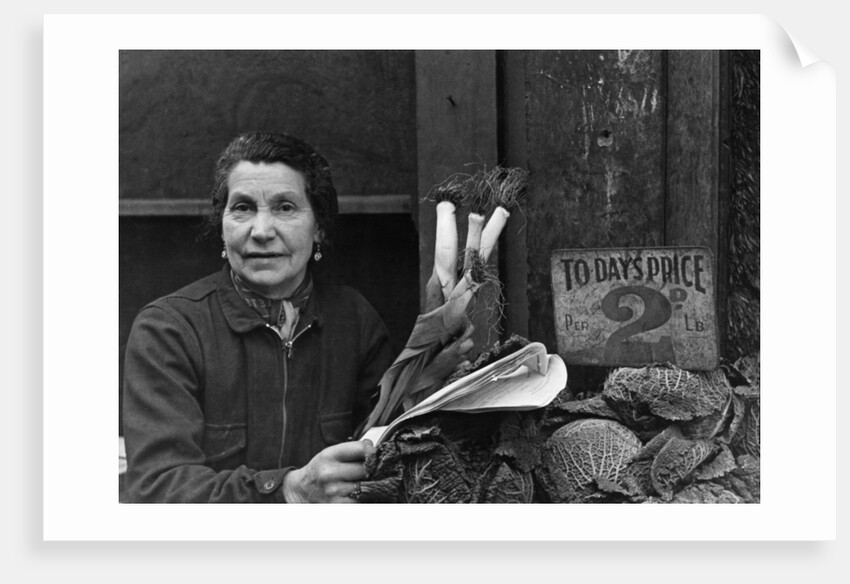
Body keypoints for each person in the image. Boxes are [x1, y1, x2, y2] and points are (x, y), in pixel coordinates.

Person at [123, 131, 469, 503]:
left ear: (318, 227)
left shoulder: (354, 322)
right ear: (222, 225)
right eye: (242, 208)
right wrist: (288, 490)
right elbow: (157, 489)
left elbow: (387, 451)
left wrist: (430, 384)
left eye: (285, 208)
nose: (261, 231)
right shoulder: (170, 330)